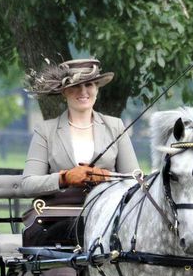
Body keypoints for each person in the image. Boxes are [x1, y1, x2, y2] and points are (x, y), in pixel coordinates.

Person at [22, 58, 139, 197]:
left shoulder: (116, 126)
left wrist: (107, 177)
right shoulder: (45, 131)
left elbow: (135, 179)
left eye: (88, 85)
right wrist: (64, 178)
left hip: (107, 214)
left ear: (96, 89)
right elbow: (29, 185)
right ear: (64, 91)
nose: (83, 91)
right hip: (60, 213)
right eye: (76, 86)